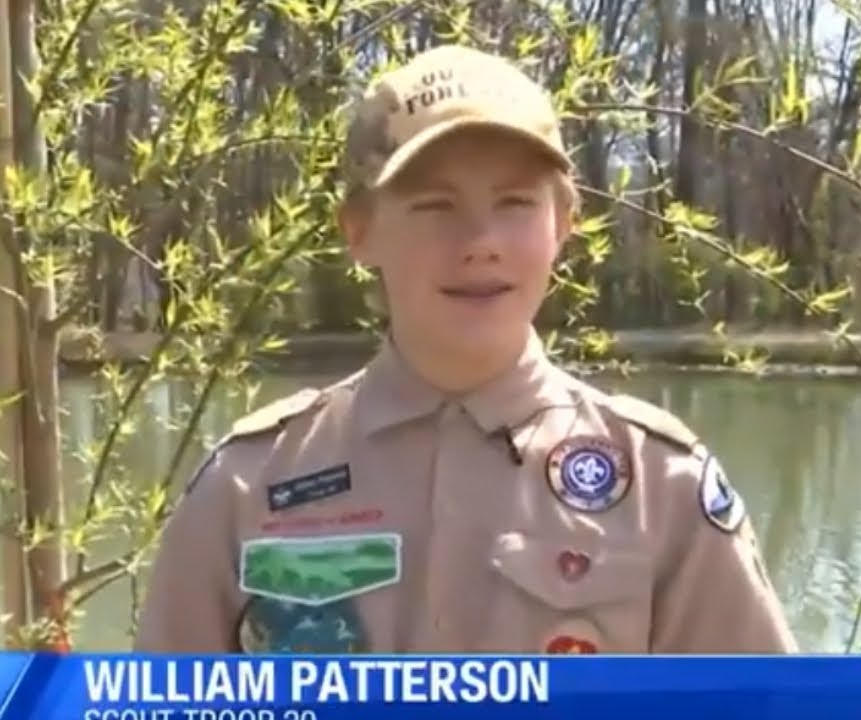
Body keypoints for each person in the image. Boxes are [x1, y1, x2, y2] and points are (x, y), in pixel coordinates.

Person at [134, 44, 798, 654]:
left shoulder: (662, 486)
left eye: (515, 203)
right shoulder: (248, 486)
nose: (481, 240)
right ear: (360, 232)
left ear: (563, 226)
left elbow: (764, 704)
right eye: (434, 206)